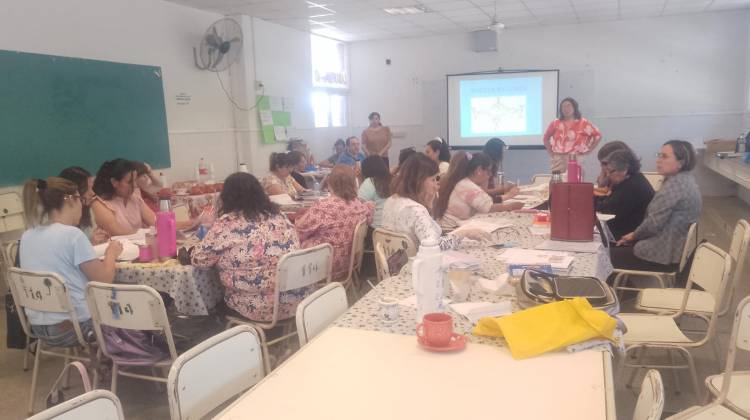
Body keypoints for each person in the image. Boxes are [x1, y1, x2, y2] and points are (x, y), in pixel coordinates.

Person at [19, 177, 123, 347]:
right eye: (81, 200)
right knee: (138, 314)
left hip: (38, 329)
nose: (83, 205)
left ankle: (102, 365)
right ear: (71, 200)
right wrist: (111, 253)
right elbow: (104, 279)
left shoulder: (27, 235)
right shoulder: (72, 235)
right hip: (76, 329)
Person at [192, 172, 309, 322]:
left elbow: (200, 260)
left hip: (254, 308)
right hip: (295, 302)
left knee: (217, 295)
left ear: (226, 197)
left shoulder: (227, 224)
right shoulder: (280, 217)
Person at [611, 140, 701, 272]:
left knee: (604, 256)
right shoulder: (685, 180)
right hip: (671, 249)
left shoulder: (675, 187)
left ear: (680, 162)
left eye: (664, 157)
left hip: (661, 255)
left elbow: (653, 224)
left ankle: (622, 291)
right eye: (659, 155)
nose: (658, 160)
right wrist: (634, 235)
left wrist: (634, 236)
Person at [382, 153, 489, 250]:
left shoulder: (391, 201)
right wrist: (464, 233)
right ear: (419, 181)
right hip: (417, 266)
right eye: (433, 180)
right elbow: (435, 247)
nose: (436, 186)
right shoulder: (416, 210)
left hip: (395, 265)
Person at [295, 166, 374, 281]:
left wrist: (297, 218)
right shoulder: (358, 205)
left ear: (330, 182)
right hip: (348, 263)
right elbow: (370, 210)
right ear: (354, 183)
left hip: (321, 266)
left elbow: (299, 231)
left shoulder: (323, 207)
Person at [434, 152, 524, 230]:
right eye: (488, 171)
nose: (490, 175)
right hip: (450, 228)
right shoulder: (466, 185)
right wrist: (510, 206)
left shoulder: (461, 182)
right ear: (479, 170)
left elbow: (483, 199)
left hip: (449, 225)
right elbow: (488, 207)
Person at [595, 149, 654, 240]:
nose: (608, 175)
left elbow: (608, 210)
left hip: (626, 236)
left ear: (624, 170)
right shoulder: (631, 180)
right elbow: (609, 202)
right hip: (625, 229)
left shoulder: (632, 186)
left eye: (611, 172)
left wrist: (592, 200)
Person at [91, 159, 156, 236]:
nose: (135, 185)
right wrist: (145, 232)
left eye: (135, 180)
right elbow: (117, 232)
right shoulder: (99, 203)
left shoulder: (135, 198)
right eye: (129, 182)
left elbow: (154, 221)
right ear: (114, 182)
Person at [542, 97, 602, 173]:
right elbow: (546, 138)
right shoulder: (555, 123)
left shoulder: (583, 123)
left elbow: (598, 135)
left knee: (575, 182)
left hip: (576, 157)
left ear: (574, 108)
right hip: (558, 158)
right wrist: (551, 153)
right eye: (563, 106)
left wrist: (589, 149)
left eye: (569, 106)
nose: (566, 109)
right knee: (557, 182)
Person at [59, 166, 109, 245]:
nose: (92, 193)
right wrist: (90, 244)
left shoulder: (87, 210)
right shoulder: (59, 220)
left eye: (92, 188)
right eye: (87, 189)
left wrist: (98, 237)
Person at [358, 156, 392, 228]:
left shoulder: (370, 182)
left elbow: (358, 204)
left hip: (375, 230)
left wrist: (360, 180)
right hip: (394, 230)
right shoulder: (393, 180)